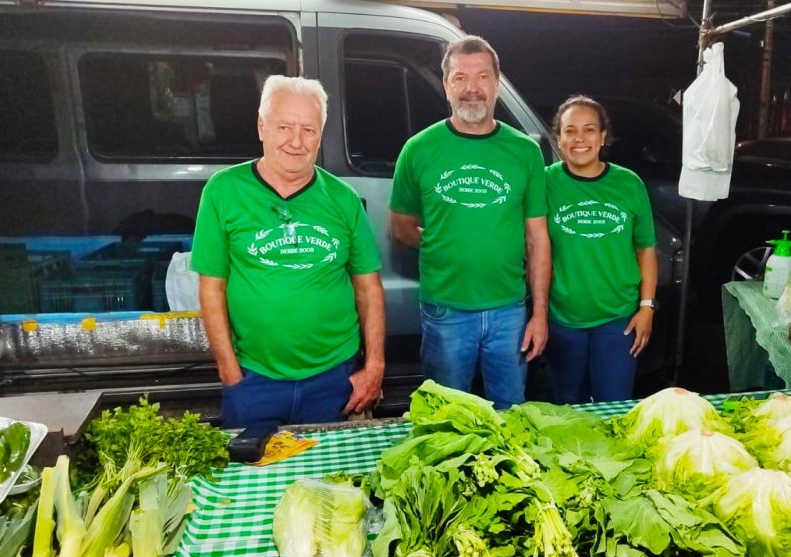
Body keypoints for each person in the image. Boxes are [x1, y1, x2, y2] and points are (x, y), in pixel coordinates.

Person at [192, 75, 385, 438]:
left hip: (335, 378)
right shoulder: (223, 191)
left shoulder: (342, 199)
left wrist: (374, 366)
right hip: (253, 379)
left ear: (321, 134)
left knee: (331, 484)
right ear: (262, 126)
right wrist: (229, 370)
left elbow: (369, 288)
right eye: (284, 126)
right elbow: (211, 288)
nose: (296, 141)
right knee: (250, 483)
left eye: (308, 130)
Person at [389, 36, 550, 409]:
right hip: (445, 311)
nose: (472, 89)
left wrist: (538, 314)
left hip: (510, 310)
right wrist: (446, 245)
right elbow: (401, 226)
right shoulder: (418, 149)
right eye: (460, 78)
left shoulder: (525, 151)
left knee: (510, 413)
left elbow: (537, 238)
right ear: (446, 86)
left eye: (481, 77)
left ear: (496, 83)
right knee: (447, 416)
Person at [543, 96, 658, 404]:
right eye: (570, 130)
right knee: (568, 408)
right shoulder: (544, 183)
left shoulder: (629, 184)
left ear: (603, 136)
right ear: (559, 138)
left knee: (615, 405)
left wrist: (647, 307)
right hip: (563, 319)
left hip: (618, 320)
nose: (580, 138)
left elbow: (645, 249)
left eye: (589, 129)